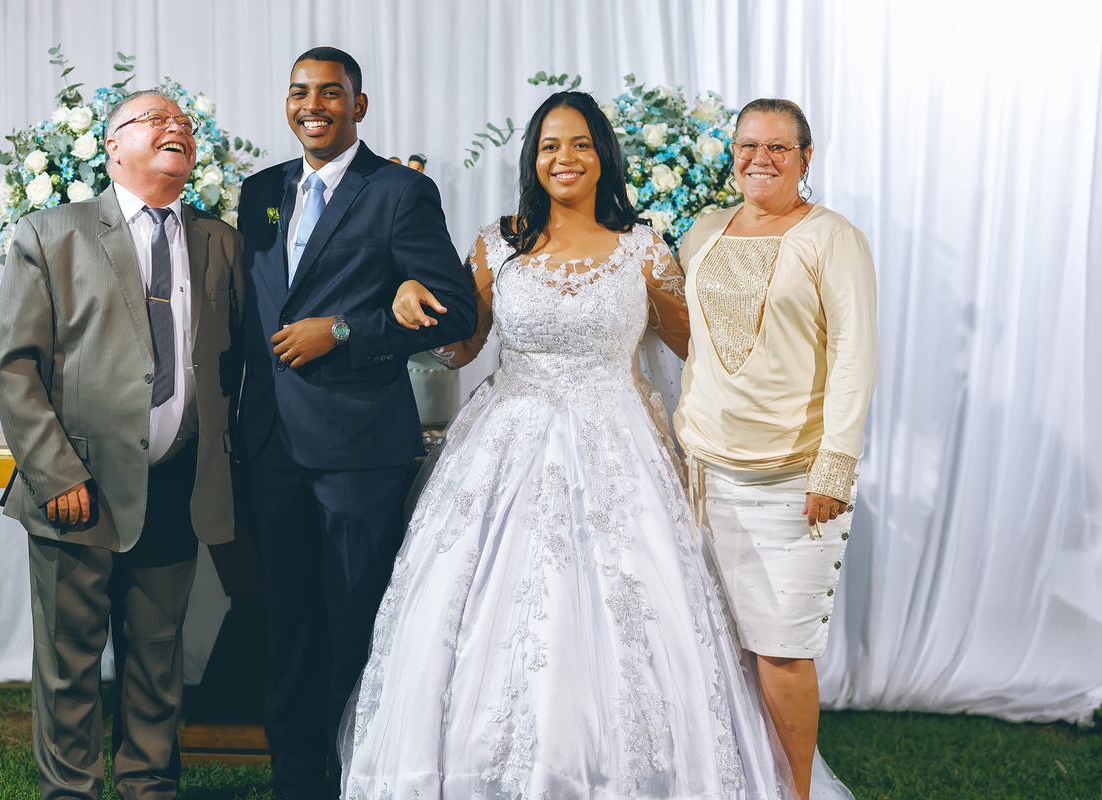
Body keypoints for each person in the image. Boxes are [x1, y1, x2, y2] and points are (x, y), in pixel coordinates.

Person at [339, 91, 797, 799]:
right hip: (504, 449)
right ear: (532, 158)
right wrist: (407, 295)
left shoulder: (643, 247)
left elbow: (704, 351)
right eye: (550, 145)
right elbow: (459, 349)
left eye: (580, 143)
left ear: (603, 155)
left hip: (620, 455)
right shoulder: (497, 244)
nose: (565, 158)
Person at [235, 47, 477, 799]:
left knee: (356, 624)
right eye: (299, 92)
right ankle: (293, 781)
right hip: (270, 442)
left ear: (359, 106)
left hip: (358, 447)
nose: (313, 105)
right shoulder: (259, 191)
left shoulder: (400, 191)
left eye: (330, 93)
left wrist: (341, 330)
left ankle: (358, 776)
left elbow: (456, 311)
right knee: (286, 624)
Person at [0, 90, 244, 798]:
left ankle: (149, 786)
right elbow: (16, 366)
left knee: (158, 662)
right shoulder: (51, 233)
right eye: (157, 120)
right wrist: (55, 474)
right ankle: (70, 791)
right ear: (111, 145)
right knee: (69, 662)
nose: (176, 129)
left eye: (184, 124)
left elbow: (231, 365)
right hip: (79, 487)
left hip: (177, 482)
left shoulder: (218, 240)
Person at [673, 98, 878, 798]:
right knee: (715, 649)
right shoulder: (704, 230)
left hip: (794, 480)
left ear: (805, 157)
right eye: (747, 145)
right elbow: (687, 333)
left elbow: (855, 356)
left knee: (782, 652)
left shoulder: (834, 238)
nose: (760, 158)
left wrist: (835, 467)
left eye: (778, 147)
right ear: (731, 153)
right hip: (704, 472)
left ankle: (797, 792)